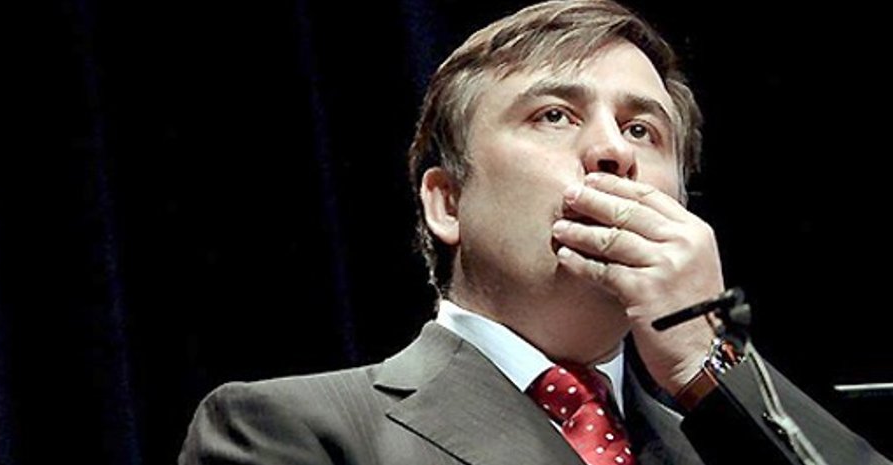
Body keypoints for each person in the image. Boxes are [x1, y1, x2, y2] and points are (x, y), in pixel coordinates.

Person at [178, 1, 890, 464]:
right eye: (554, 115)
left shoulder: (730, 440)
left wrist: (708, 363)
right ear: (448, 202)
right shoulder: (290, 429)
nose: (613, 152)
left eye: (642, 129)